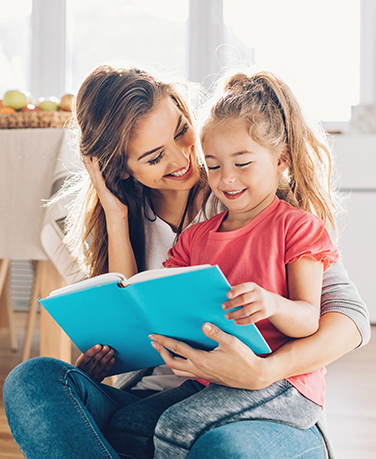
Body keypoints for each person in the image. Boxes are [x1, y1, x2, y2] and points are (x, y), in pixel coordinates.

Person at [3, 65, 370, 459]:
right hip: (166, 397)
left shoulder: (253, 196)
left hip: (264, 403)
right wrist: (116, 216)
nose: (183, 158)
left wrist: (264, 371)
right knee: (30, 381)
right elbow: (136, 327)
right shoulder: (128, 222)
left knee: (215, 446)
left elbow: (350, 320)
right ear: (122, 169)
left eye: (181, 130)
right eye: (155, 156)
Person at [105, 70, 340, 459]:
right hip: (212, 378)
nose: (226, 178)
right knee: (126, 426)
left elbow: (309, 320)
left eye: (242, 163)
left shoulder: (297, 226)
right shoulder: (197, 237)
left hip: (283, 383)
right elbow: (154, 297)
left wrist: (273, 304)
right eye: (213, 165)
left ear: (281, 159)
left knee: (176, 429)